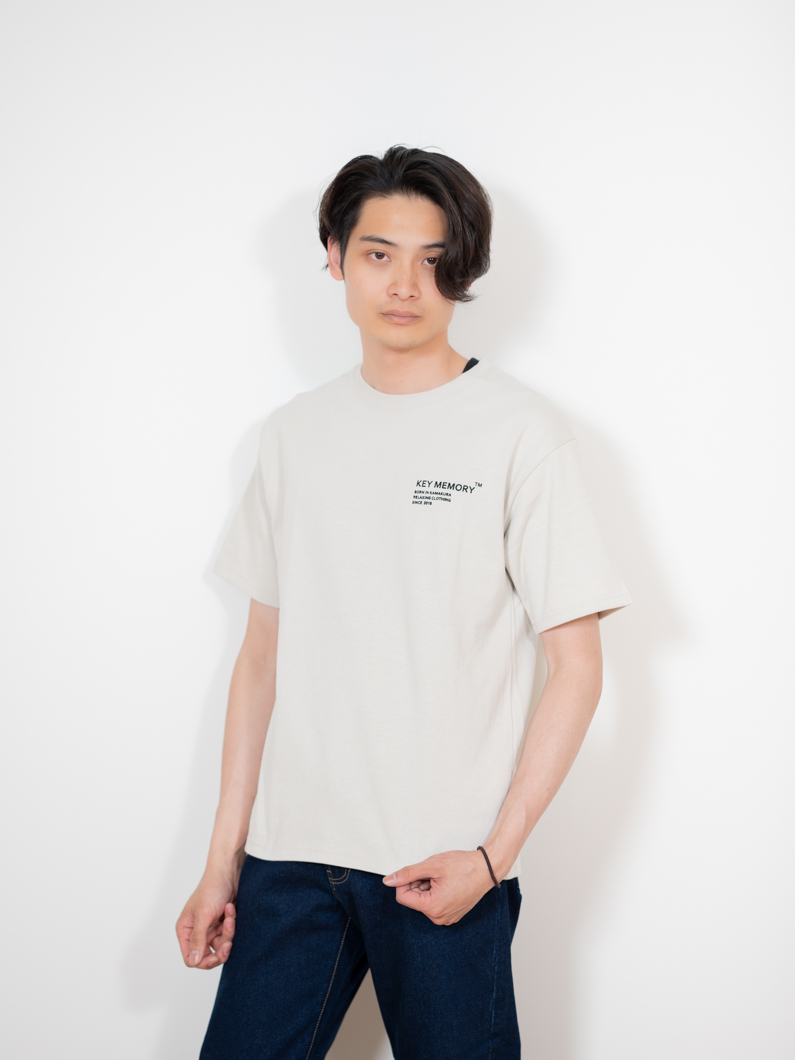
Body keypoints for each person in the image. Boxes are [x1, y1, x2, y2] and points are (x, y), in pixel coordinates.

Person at [176, 145, 632, 1059]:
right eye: (378, 254)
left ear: (462, 268)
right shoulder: (293, 434)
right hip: (288, 863)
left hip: (442, 866)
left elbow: (575, 666)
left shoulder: (520, 432)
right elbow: (261, 658)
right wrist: (223, 861)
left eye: (433, 259)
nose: (404, 285)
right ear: (335, 257)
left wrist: (493, 858)